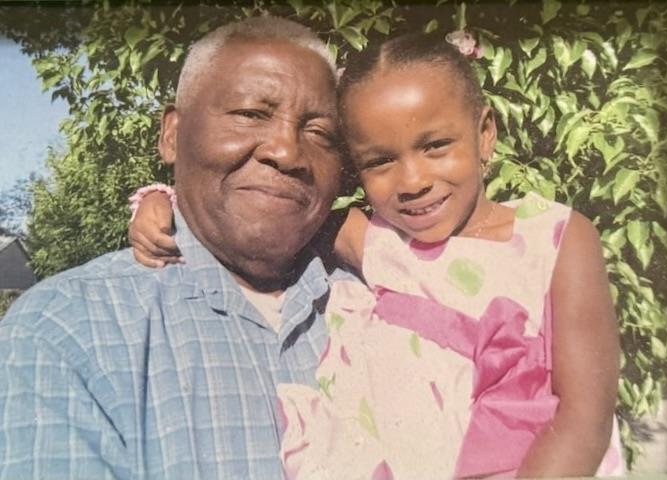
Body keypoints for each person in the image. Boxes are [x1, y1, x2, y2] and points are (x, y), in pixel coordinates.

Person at [131, 33, 625, 479]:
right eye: (380, 161)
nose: (413, 181)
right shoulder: (376, 239)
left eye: (436, 146)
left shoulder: (553, 238)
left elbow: (584, 415)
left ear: (485, 133)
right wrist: (163, 200)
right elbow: (269, 214)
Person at [0, 16, 347, 478]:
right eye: (251, 114)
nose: (287, 152)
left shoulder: (383, 304)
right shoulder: (67, 330)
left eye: (320, 133)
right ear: (171, 135)